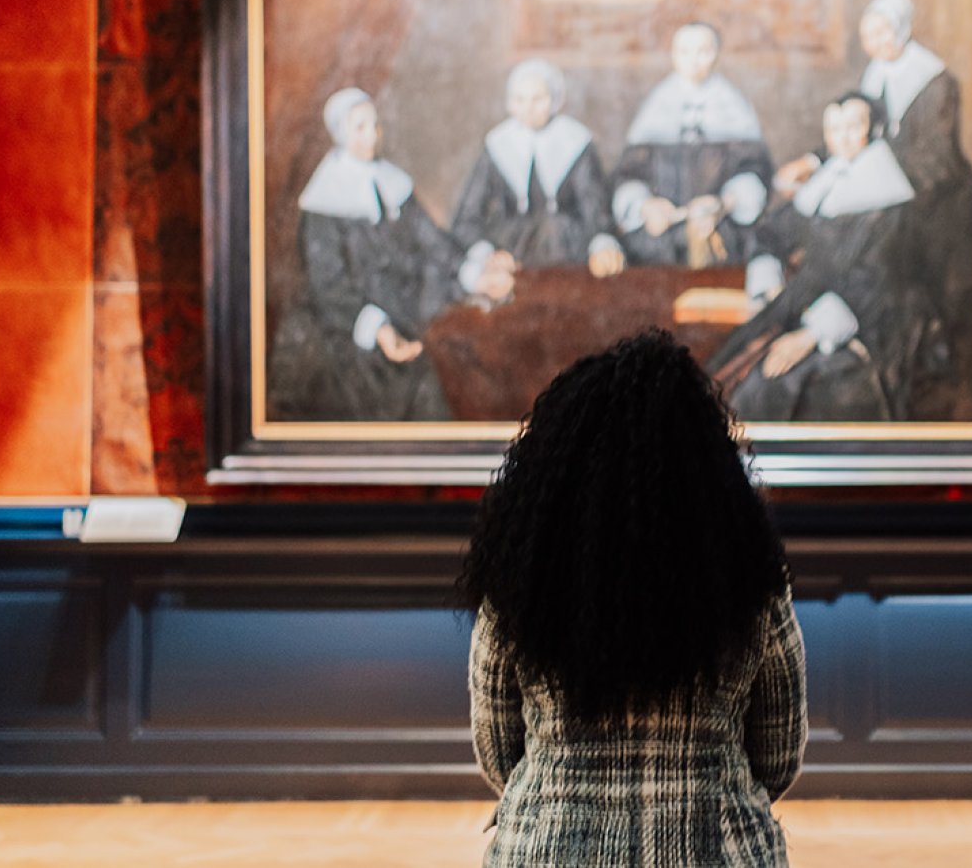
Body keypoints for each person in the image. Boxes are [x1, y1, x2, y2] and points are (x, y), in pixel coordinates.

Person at [460, 329, 805, 867]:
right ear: (708, 464)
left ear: (556, 463)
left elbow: (498, 751)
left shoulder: (520, 579)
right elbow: (778, 755)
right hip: (717, 851)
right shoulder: (750, 577)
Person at [267, 87, 512, 421]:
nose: (371, 137)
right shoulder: (322, 199)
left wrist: (474, 274)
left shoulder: (391, 180)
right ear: (340, 133)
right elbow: (328, 285)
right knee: (412, 379)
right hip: (347, 317)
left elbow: (431, 239)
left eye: (375, 126)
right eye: (360, 128)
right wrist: (378, 328)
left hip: (406, 297)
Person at [712, 95, 928, 422]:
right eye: (833, 128)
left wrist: (810, 336)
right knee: (728, 371)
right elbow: (770, 234)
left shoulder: (889, 193)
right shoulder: (828, 180)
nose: (841, 137)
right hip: (803, 302)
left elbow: (878, 283)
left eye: (852, 126)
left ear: (873, 130)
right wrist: (769, 282)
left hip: (864, 320)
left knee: (773, 384)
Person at [853, 0, 972, 420]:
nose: (876, 42)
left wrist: (879, 178)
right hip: (910, 216)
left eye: (882, 32)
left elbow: (936, 157)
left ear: (901, 29)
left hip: (947, 217)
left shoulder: (934, 80)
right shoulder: (874, 76)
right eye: (868, 34)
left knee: (959, 314)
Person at [451, 58, 626, 289]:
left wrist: (602, 244)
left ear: (554, 100)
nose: (528, 108)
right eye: (519, 99)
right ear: (510, 103)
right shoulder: (497, 144)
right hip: (512, 251)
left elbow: (595, 208)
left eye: (538, 99)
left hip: (569, 248)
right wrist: (487, 253)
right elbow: (467, 216)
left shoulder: (576, 141)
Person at [613, 22, 774, 268]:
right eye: (685, 51)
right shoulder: (656, 107)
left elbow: (754, 171)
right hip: (660, 231)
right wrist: (645, 206)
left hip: (721, 227)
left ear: (717, 54)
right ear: (673, 55)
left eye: (704, 51)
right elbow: (629, 174)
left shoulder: (734, 107)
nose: (694, 60)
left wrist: (725, 203)